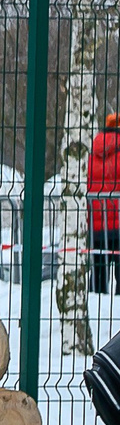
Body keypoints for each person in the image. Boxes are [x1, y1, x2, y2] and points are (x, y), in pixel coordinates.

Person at [91, 114, 120, 294]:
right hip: (118, 218)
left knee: (98, 268)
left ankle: (95, 296)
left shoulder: (92, 150)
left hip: (97, 221)